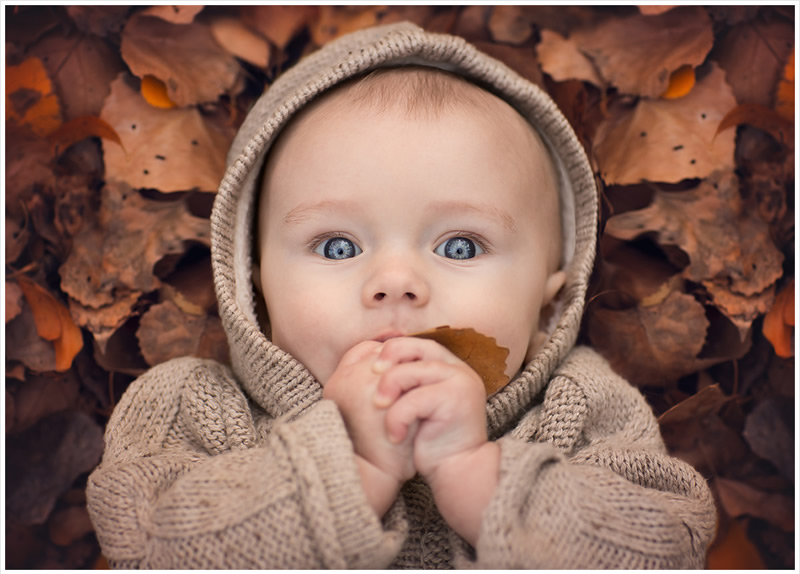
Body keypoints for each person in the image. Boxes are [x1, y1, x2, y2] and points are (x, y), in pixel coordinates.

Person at [87, 22, 716, 568]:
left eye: (461, 246)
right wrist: (347, 467)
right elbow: (147, 549)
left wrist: (482, 480)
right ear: (255, 285)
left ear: (551, 303)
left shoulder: (582, 406)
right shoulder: (190, 407)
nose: (396, 281)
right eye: (336, 246)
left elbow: (670, 548)